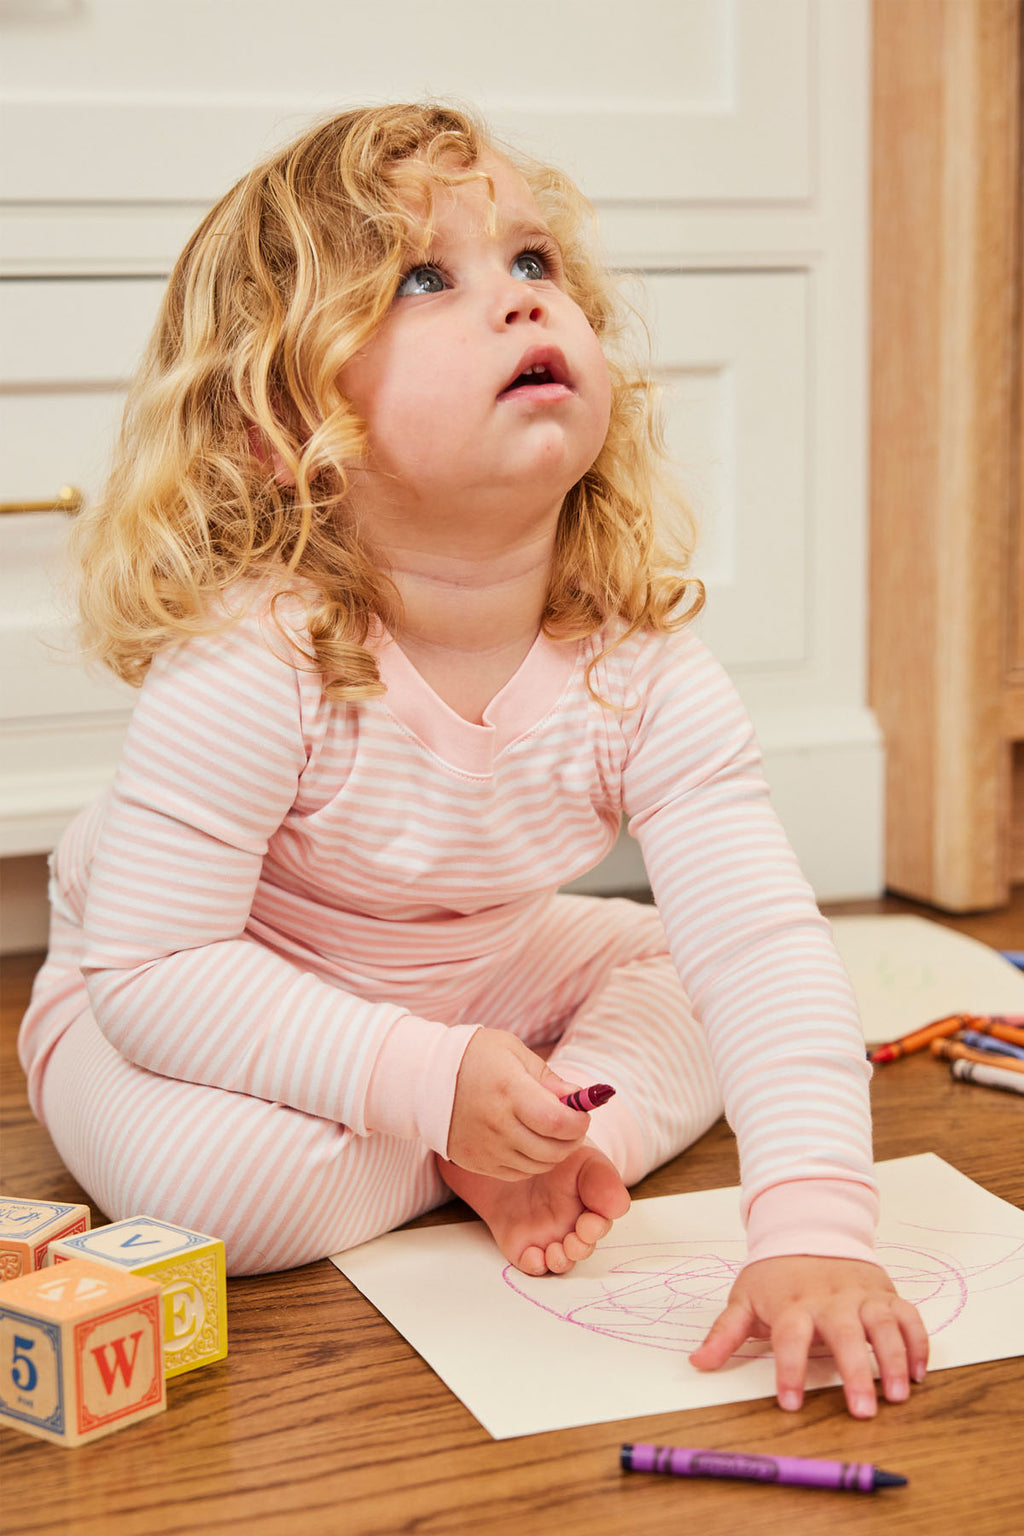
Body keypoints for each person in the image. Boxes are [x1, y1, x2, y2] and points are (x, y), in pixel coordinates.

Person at [20, 102, 927, 1418]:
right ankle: (485, 1135)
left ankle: (538, 1144)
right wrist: (430, 1086)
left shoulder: (643, 666)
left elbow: (761, 948)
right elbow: (156, 975)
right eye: (427, 279)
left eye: (535, 263)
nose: (518, 304)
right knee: (217, 1193)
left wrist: (818, 1228)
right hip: (194, 991)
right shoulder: (255, 656)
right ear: (282, 420)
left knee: (723, 978)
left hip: (475, 971)